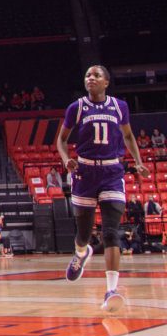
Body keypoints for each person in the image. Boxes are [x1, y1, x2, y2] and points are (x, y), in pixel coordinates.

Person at [57, 65, 149, 312]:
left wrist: (138, 162)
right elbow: (62, 140)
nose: (91, 78)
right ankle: (80, 253)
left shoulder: (120, 107)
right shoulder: (76, 108)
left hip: (112, 172)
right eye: (88, 75)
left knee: (111, 232)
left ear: (106, 82)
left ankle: (111, 291)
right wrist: (66, 160)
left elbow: (128, 136)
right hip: (85, 172)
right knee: (84, 234)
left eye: (96, 75)